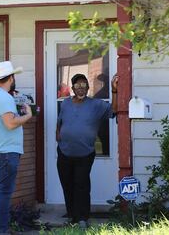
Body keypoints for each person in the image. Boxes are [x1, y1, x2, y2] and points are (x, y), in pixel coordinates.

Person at [56, 73, 118, 228]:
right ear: (73, 88)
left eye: (84, 85)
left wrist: (114, 91)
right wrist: (58, 132)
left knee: (81, 184)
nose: (81, 88)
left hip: (85, 153)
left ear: (88, 88)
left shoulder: (96, 105)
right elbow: (60, 120)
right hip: (64, 151)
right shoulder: (65, 104)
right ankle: (72, 217)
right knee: (67, 184)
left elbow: (114, 110)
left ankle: (82, 218)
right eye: (77, 85)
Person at [0, 61, 33, 235]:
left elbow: (6, 120)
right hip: (7, 152)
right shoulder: (4, 97)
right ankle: (1, 230)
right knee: (4, 192)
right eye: (14, 77)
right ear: (10, 78)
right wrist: (27, 115)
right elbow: (10, 123)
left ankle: (0, 227)